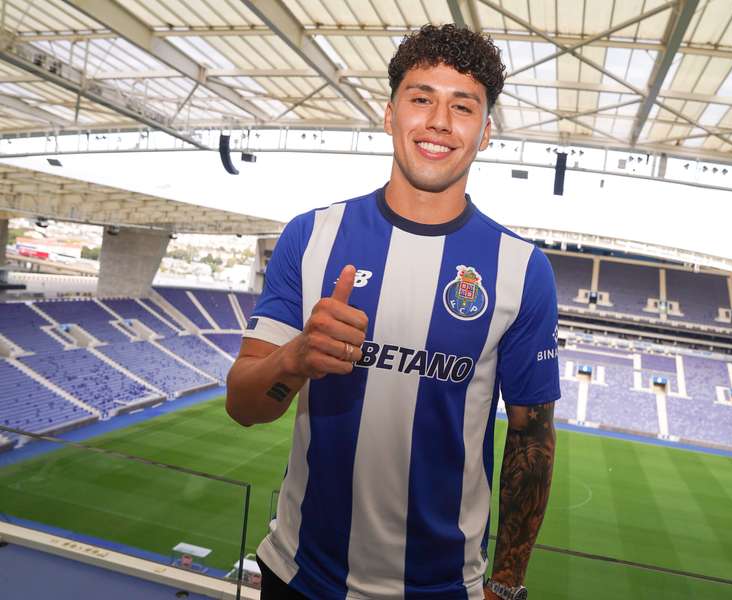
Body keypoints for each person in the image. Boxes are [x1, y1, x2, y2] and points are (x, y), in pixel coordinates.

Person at [226, 24, 559, 600]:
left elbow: (532, 440)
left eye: (463, 106)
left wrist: (505, 583)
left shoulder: (521, 270)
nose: (438, 121)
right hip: (299, 578)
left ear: (485, 133)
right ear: (389, 115)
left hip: (442, 590)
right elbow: (243, 407)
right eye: (420, 98)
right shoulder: (311, 236)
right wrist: (296, 357)